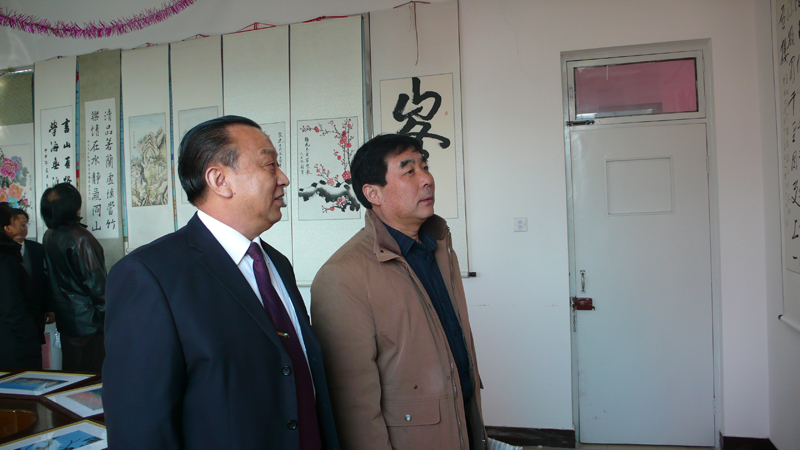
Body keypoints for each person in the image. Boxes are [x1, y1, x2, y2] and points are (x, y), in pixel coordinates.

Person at [103, 115, 340, 450]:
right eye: (270, 165)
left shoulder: (276, 264)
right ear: (219, 180)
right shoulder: (150, 275)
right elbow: (140, 427)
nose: (284, 178)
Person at [311, 134, 487, 450]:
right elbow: (353, 405)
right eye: (409, 171)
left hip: (462, 426)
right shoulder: (342, 275)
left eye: (425, 166)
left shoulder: (440, 250)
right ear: (373, 193)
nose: (427, 179)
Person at [40, 183, 107, 372]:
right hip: (89, 323)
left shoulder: (49, 235)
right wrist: (109, 318)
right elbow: (97, 286)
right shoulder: (80, 238)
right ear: (72, 207)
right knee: (92, 376)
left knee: (73, 370)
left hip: (67, 320)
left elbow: (47, 275)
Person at [3, 206, 56, 338]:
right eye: (19, 225)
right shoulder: (4, 253)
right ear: (7, 227)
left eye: (25, 225)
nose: (22, 229)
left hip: (35, 311)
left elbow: (47, 280)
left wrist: (50, 307)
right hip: (11, 318)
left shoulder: (37, 249)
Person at [0, 203, 42, 369]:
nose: (22, 227)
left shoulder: (12, 254)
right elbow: (11, 305)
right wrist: (29, 335)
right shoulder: (5, 259)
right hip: (14, 342)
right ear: (7, 228)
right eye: (17, 222)